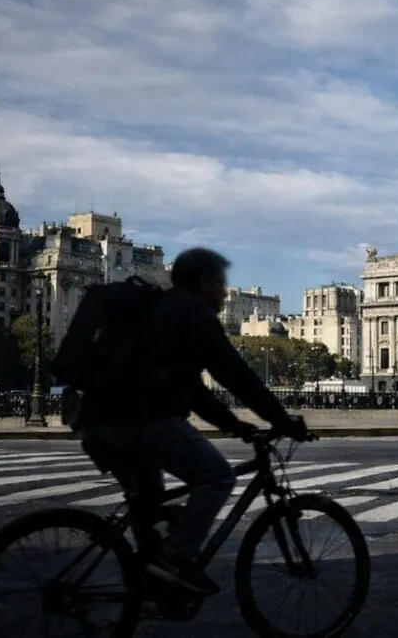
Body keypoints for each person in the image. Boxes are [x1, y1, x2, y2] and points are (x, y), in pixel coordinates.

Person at [81, 247, 309, 595]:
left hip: (101, 419)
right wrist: (282, 420)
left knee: (149, 500)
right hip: (141, 420)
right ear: (204, 283)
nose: (222, 292)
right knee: (216, 477)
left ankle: (145, 589)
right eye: (220, 283)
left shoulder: (160, 310)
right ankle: (170, 561)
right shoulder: (192, 313)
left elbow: (194, 392)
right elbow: (235, 374)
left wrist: (238, 427)